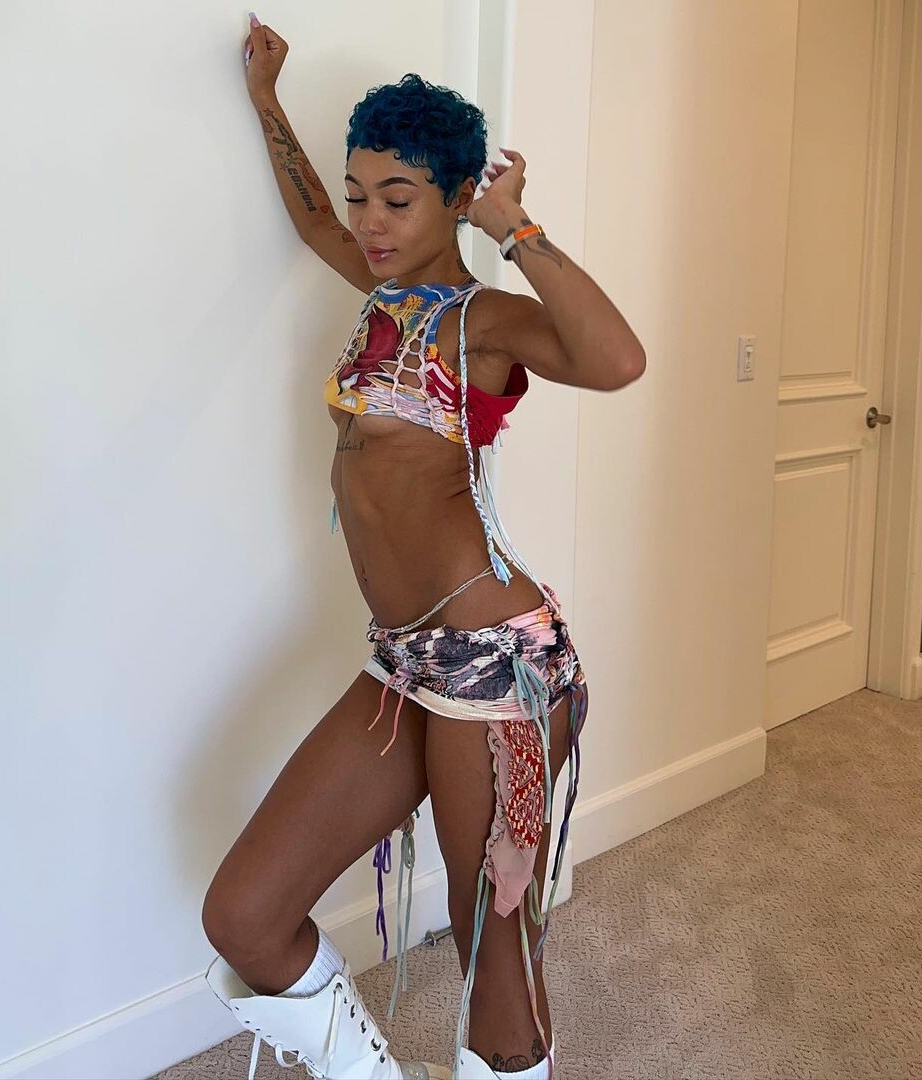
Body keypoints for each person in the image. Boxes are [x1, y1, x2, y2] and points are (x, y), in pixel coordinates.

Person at [202, 13, 646, 1080]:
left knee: (493, 948)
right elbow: (316, 220)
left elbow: (618, 360)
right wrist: (266, 101)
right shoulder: (384, 297)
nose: (368, 221)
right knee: (246, 913)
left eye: (396, 198)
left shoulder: (480, 320)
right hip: (407, 662)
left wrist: (518, 226)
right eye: (363, 193)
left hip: (497, 669)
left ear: (454, 199)